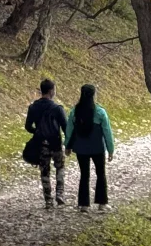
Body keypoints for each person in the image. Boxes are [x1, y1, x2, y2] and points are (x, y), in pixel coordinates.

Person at [66, 83, 115, 211]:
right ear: (94, 95)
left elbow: (69, 130)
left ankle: (83, 204)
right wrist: (110, 149)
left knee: (84, 175)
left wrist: (67, 146)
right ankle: (102, 203)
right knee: (101, 173)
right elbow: (107, 131)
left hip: (81, 149)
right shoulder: (100, 112)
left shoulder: (75, 111)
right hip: (98, 148)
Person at [25, 77, 68, 208]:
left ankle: (48, 200)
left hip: (41, 144)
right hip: (55, 143)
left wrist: (37, 132)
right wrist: (69, 144)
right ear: (51, 91)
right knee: (60, 167)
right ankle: (60, 194)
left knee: (44, 171)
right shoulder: (57, 108)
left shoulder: (33, 107)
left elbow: (28, 126)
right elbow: (66, 128)